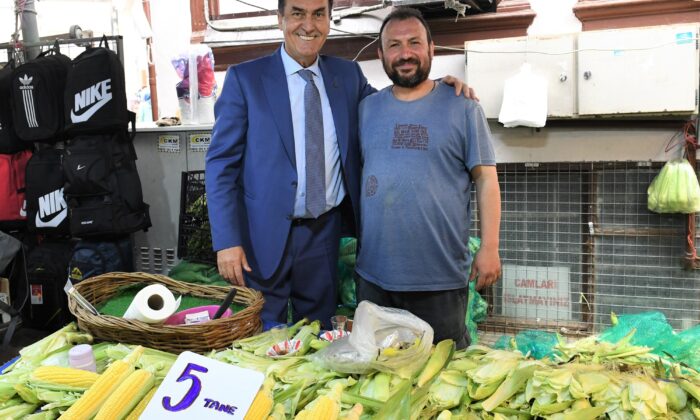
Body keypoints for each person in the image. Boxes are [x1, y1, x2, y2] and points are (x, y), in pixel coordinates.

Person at [205, 0, 473, 328]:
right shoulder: (245, 79)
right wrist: (227, 241)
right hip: (261, 236)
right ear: (280, 19)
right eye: (298, 13)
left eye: (319, 14)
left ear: (329, 20)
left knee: (317, 336)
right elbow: (221, 164)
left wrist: (436, 89)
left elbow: (393, 103)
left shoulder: (346, 76)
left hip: (322, 233)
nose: (309, 24)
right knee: (260, 335)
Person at [355, 7, 502, 349]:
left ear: (432, 49)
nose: (405, 53)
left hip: (439, 280)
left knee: (439, 380)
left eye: (414, 43)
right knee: (377, 376)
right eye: (394, 45)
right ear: (381, 55)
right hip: (375, 278)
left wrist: (490, 248)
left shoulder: (463, 107)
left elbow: (487, 181)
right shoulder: (366, 109)